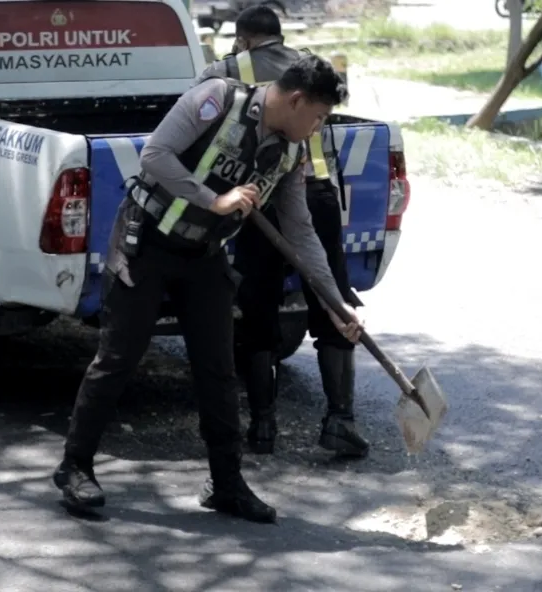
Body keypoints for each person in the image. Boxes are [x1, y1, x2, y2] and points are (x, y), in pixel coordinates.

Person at [53, 55, 362, 524]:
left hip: (204, 258)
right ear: (297, 100)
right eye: (318, 116)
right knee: (118, 358)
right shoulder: (216, 99)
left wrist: (335, 304)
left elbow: (300, 234)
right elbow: (155, 155)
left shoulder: (292, 153)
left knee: (218, 370)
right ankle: (75, 466)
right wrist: (213, 199)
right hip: (147, 244)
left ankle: (226, 483)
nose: (318, 128)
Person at [200, 5, 370, 459]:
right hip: (316, 192)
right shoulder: (311, 67)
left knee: (259, 305)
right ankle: (340, 419)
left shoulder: (227, 69)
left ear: (245, 38)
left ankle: (262, 426)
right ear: (279, 35)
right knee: (331, 296)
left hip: (259, 197)